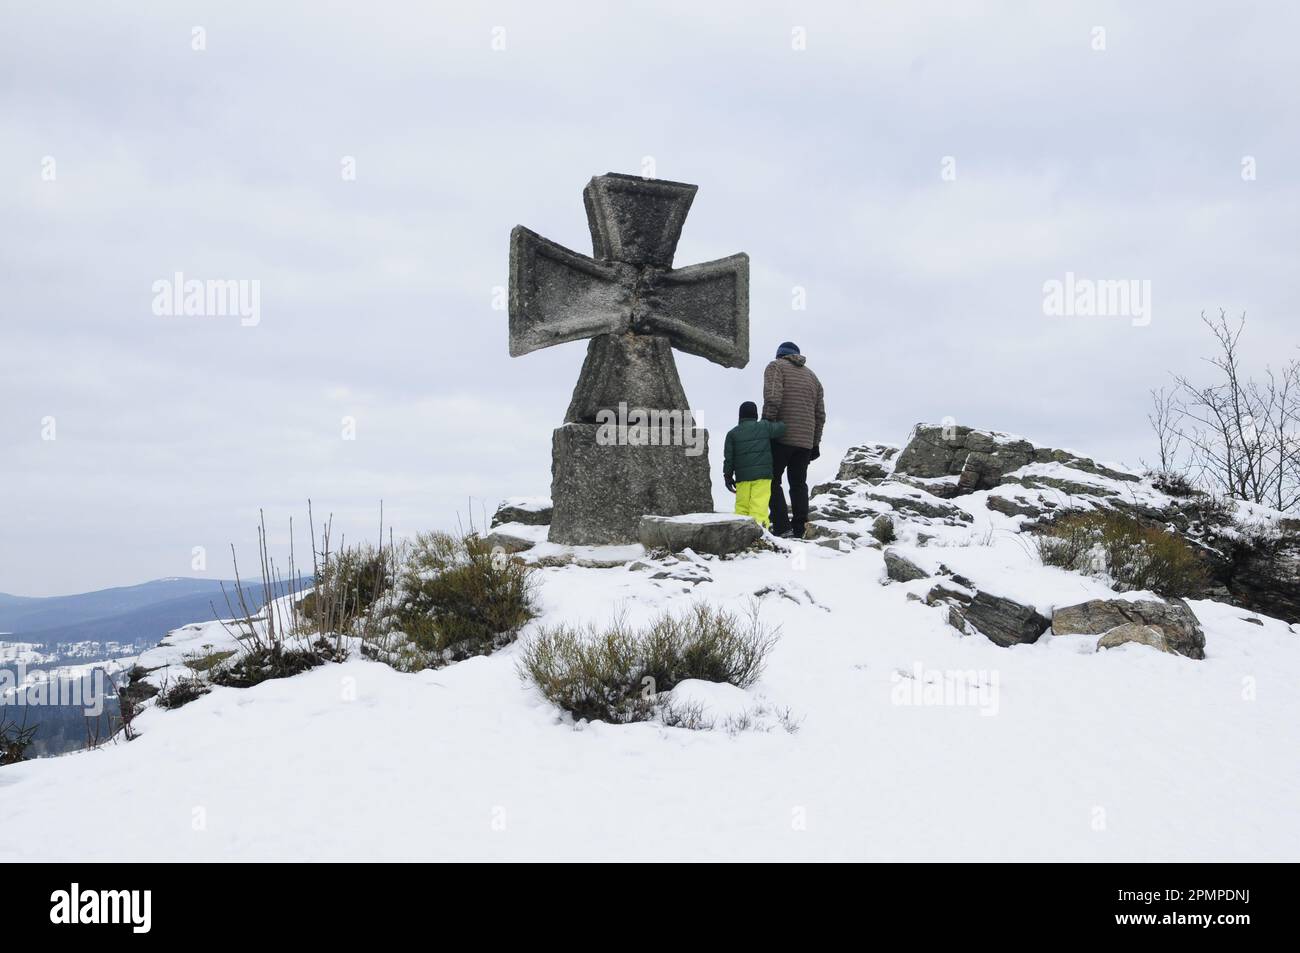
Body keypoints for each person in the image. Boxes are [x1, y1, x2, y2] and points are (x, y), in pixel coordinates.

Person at [762, 341, 826, 538]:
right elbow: (820, 414)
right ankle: (799, 528)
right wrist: (815, 443)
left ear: (780, 355)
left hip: (781, 436)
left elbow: (773, 397)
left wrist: (766, 425)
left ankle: (782, 527)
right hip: (805, 441)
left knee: (771, 481)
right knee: (798, 484)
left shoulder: (776, 366)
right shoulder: (813, 377)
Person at [723, 401, 786, 528]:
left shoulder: (732, 434)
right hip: (763, 477)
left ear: (740, 416)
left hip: (742, 478)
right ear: (755, 414)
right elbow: (782, 428)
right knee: (759, 506)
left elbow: (728, 458)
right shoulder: (764, 426)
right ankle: (760, 536)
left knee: (742, 507)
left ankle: (740, 533)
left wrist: (728, 476)